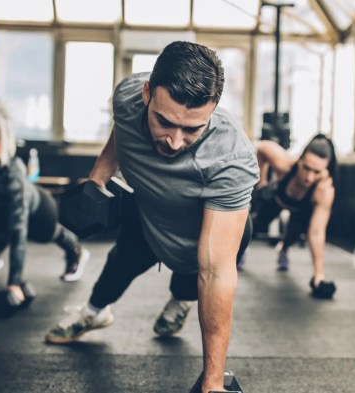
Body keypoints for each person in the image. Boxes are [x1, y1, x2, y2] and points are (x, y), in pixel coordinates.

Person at [44, 41, 258, 393]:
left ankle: (181, 301)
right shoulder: (127, 95)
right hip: (148, 210)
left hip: (203, 228)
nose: (175, 142)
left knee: (197, 273)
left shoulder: (231, 160)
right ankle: (95, 312)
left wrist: (213, 382)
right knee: (121, 261)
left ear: (214, 109)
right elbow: (123, 130)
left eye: (192, 130)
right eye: (165, 122)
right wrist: (99, 174)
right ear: (147, 94)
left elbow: (217, 272)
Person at [0, 101, 90, 307]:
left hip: (40, 210)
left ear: (1, 147)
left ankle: (76, 251)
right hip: (0, 209)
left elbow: (18, 232)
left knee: (47, 234)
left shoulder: (12, 176)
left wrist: (14, 283)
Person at [242, 134, 337, 299]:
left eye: (316, 172)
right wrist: (261, 182)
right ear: (299, 159)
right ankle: (241, 250)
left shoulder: (324, 190)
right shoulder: (285, 164)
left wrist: (319, 275)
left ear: (326, 169)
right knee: (254, 225)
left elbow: (316, 233)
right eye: (306, 168)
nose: (309, 177)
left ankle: (284, 250)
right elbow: (261, 147)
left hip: (301, 210)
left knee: (293, 235)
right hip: (278, 200)